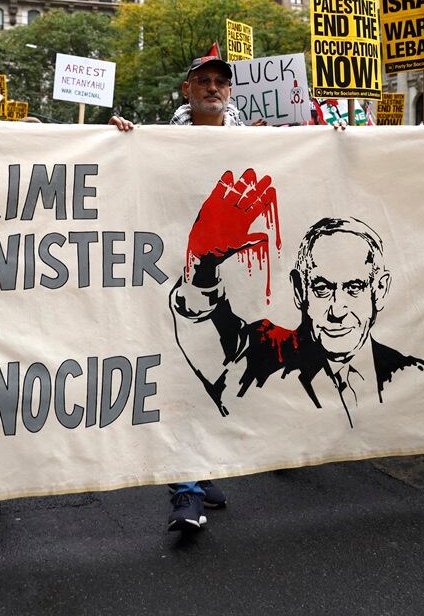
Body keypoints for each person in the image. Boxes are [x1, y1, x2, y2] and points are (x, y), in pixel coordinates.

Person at [111, 54, 246, 532]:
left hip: (236, 282)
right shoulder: (157, 140)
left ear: (230, 92)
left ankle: (201, 469)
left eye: (221, 82)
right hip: (175, 276)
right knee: (178, 381)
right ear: (187, 90)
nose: (213, 88)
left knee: (217, 377)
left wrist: (331, 144)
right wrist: (117, 141)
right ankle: (185, 494)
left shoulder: (257, 141)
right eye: (203, 81)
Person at [172, 208, 424, 423]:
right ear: (298, 289)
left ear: (379, 289)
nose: (337, 310)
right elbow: (212, 344)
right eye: (321, 288)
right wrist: (202, 270)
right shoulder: (263, 360)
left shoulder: (420, 379)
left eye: (354, 288)